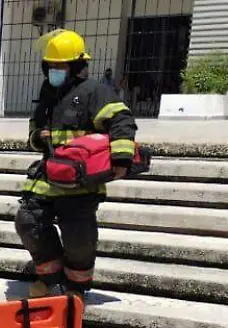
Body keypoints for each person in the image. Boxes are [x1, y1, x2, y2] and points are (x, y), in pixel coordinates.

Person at [15, 29, 137, 299]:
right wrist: (37, 137)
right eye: (51, 66)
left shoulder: (95, 92)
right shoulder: (48, 94)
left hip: (79, 182)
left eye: (60, 66)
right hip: (47, 176)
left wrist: (121, 159)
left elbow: (122, 121)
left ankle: (76, 287)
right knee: (28, 222)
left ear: (76, 66)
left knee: (78, 238)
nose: (54, 71)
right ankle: (50, 279)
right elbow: (34, 129)